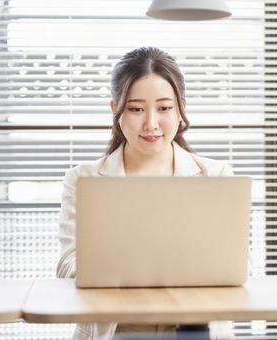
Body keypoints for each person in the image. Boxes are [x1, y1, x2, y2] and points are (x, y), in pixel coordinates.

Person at [56, 47, 234, 340]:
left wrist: (126, 269)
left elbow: (237, 266)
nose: (151, 123)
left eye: (164, 108)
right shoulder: (83, 179)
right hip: (115, 331)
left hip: (194, 330)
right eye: (137, 109)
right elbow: (68, 265)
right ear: (115, 109)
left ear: (181, 109)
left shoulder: (216, 176)